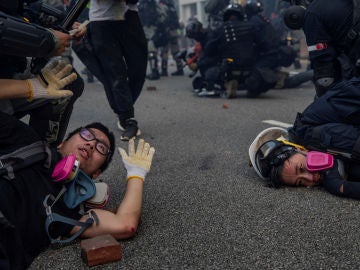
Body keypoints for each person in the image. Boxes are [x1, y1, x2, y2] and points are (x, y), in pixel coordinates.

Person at [0, 111, 155, 270]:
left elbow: (124, 225)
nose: (91, 144)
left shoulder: (67, 212)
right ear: (62, 143)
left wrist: (136, 174)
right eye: (87, 134)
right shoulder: (26, 140)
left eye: (101, 147)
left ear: (96, 174)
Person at [248, 77, 360, 199]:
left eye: (301, 168)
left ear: (300, 149)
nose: (311, 178)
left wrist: (341, 187)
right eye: (301, 182)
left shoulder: (312, 135)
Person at [0, 1, 86, 147]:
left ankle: (44, 156)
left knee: (67, 80)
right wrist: (50, 40)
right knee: (26, 142)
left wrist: (63, 22)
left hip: (8, 81)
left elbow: (25, 9)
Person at [87, 0, 147, 141]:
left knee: (138, 68)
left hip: (129, 16)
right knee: (115, 73)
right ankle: (127, 118)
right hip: (101, 21)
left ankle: (121, 106)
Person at [282, 0, 358, 97]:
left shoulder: (314, 12)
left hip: (352, 71)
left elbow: (324, 66)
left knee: (314, 111)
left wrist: (325, 98)